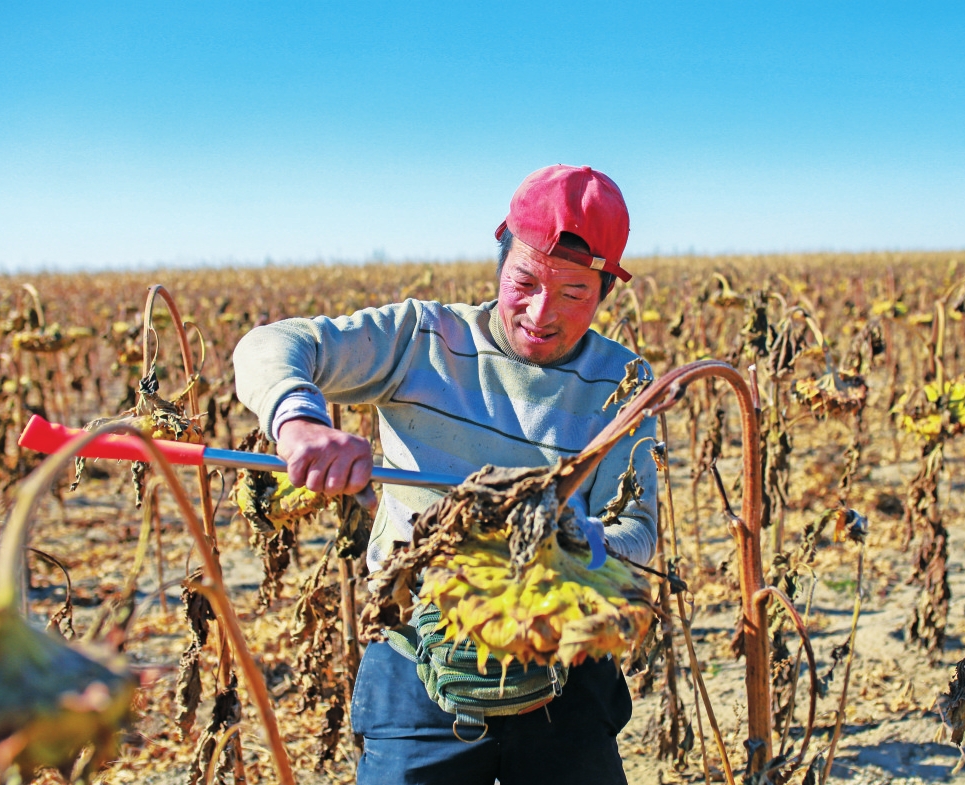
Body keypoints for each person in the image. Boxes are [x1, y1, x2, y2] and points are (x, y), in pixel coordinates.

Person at [233, 164, 658, 784]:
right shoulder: (422, 340)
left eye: (573, 294)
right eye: (525, 282)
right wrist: (299, 422)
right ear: (500, 260)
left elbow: (636, 532)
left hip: (559, 662)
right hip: (416, 659)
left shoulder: (624, 385)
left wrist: (561, 540)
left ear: (604, 294)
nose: (542, 313)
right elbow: (269, 346)